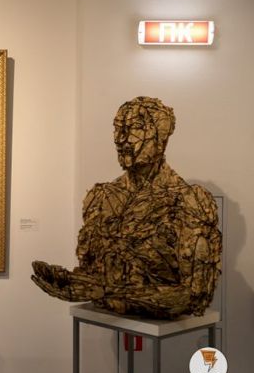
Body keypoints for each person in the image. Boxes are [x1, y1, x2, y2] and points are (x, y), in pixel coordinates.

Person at [31, 97, 221, 319]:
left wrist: (106, 292)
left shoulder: (188, 201)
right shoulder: (100, 197)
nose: (122, 139)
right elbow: (94, 271)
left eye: (136, 127)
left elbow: (193, 297)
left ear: (161, 137)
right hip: (114, 320)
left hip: (158, 329)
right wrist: (79, 283)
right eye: (118, 128)